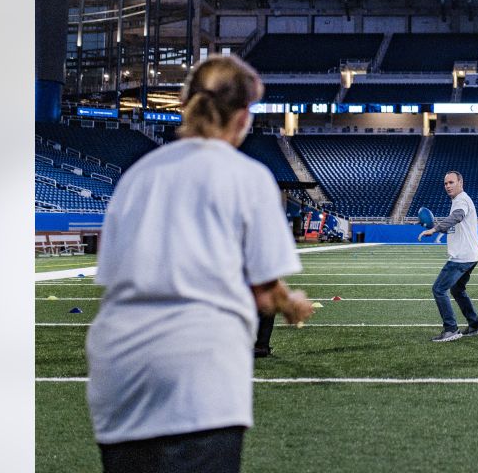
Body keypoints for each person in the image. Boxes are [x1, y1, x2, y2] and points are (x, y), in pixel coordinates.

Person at [86, 55, 315, 473]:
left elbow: (113, 273)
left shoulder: (138, 175)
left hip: (119, 368)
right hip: (200, 369)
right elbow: (264, 289)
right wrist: (292, 303)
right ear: (244, 118)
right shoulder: (248, 177)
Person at [418, 171, 478, 342]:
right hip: (470, 255)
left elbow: (457, 216)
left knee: (439, 289)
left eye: (451, 182)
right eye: (446, 183)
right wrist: (438, 225)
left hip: (461, 257)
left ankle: (451, 329)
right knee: (457, 289)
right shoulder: (458, 201)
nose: (447, 186)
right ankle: (475, 324)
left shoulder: (461, 200)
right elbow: (455, 224)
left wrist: (434, 229)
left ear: (460, 182)